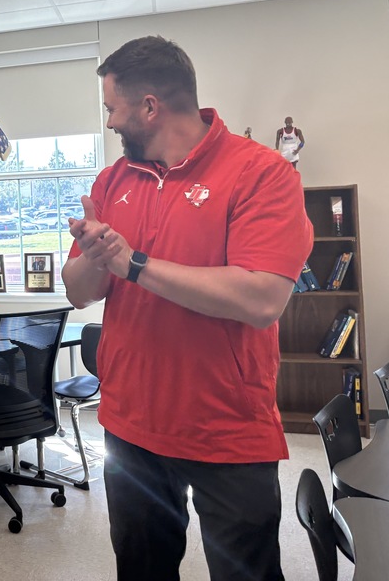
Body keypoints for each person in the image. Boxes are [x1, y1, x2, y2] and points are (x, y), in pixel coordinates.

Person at [60, 36, 312, 581]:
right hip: (130, 424)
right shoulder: (113, 179)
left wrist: (134, 264)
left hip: (226, 426)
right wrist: (97, 256)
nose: (109, 123)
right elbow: (79, 292)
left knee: (245, 572)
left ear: (149, 106)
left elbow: (262, 298)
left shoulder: (262, 173)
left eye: (111, 109)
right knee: (142, 568)